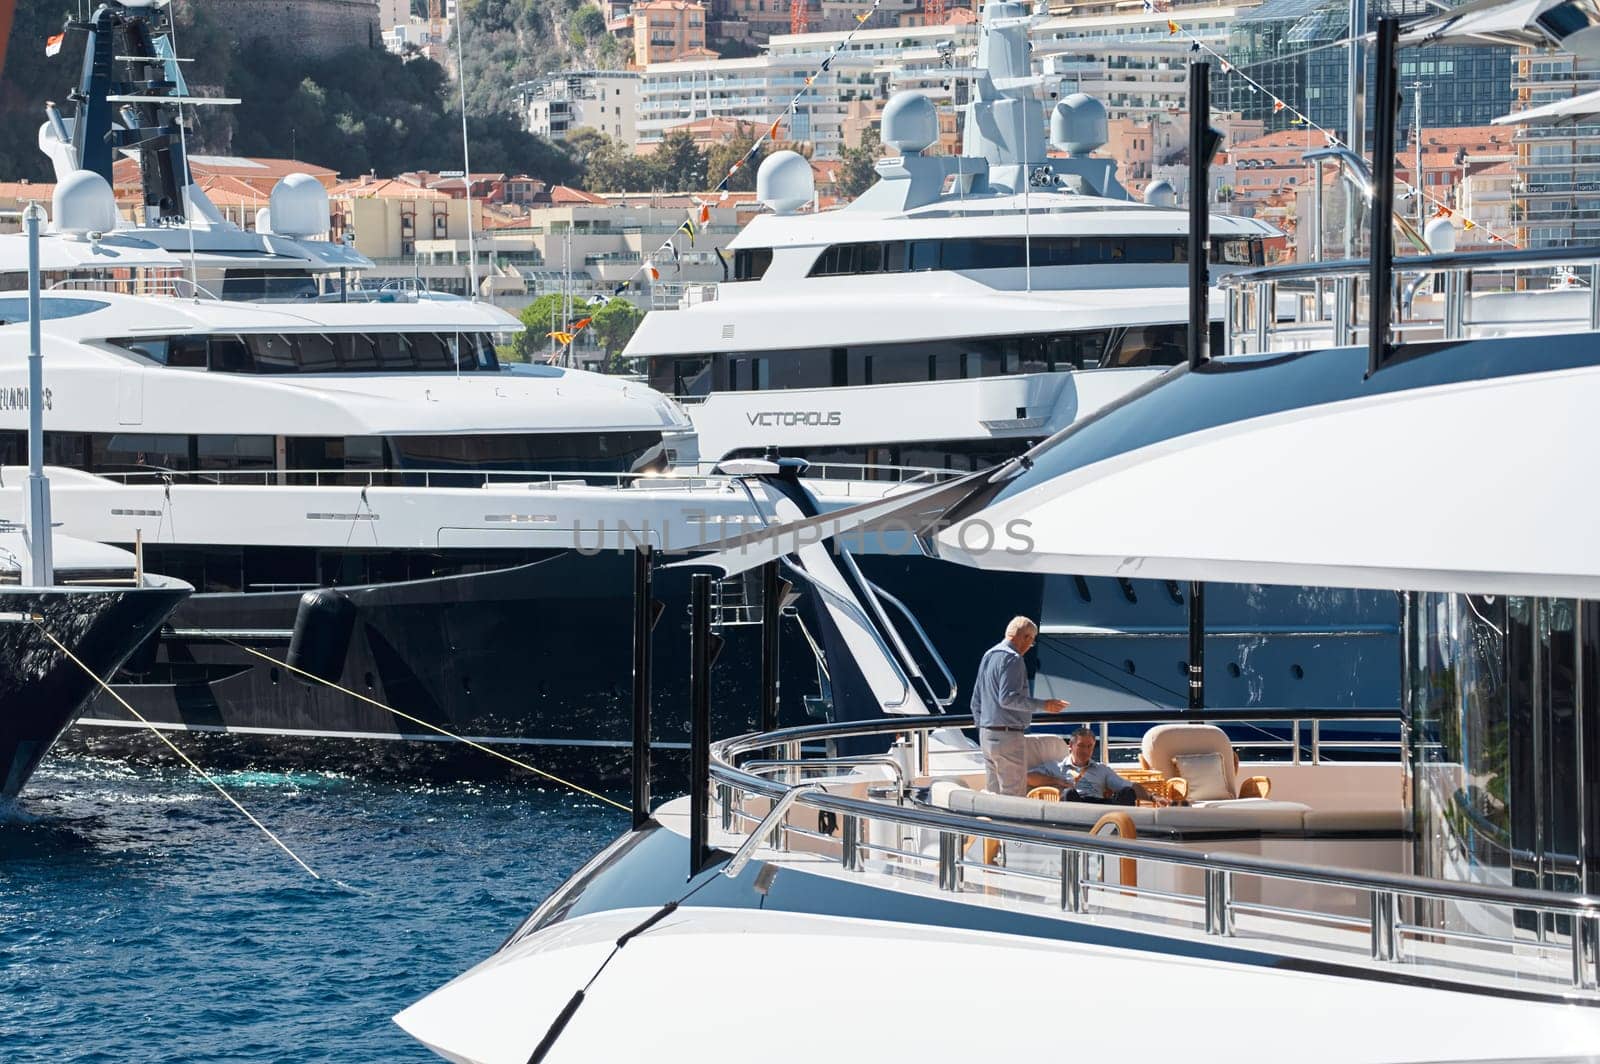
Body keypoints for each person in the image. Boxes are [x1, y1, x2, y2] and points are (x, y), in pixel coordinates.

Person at [971, 617, 1068, 795]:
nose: (1029, 647)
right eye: (1031, 642)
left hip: (986, 735)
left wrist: (983, 728)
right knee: (1013, 795)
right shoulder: (1013, 659)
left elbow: (975, 701)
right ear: (1025, 637)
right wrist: (1044, 704)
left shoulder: (989, 655)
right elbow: (1007, 698)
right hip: (1008, 736)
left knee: (993, 794)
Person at [1028, 727, 1169, 806]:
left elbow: (1129, 785)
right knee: (1068, 794)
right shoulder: (1056, 767)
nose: (1085, 751)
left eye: (1089, 746)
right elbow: (1029, 778)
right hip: (1075, 805)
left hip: (1099, 806)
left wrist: (1153, 797)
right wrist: (1057, 781)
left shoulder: (1101, 769)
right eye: (1081, 746)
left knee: (1127, 792)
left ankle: (1121, 831)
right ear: (1070, 746)